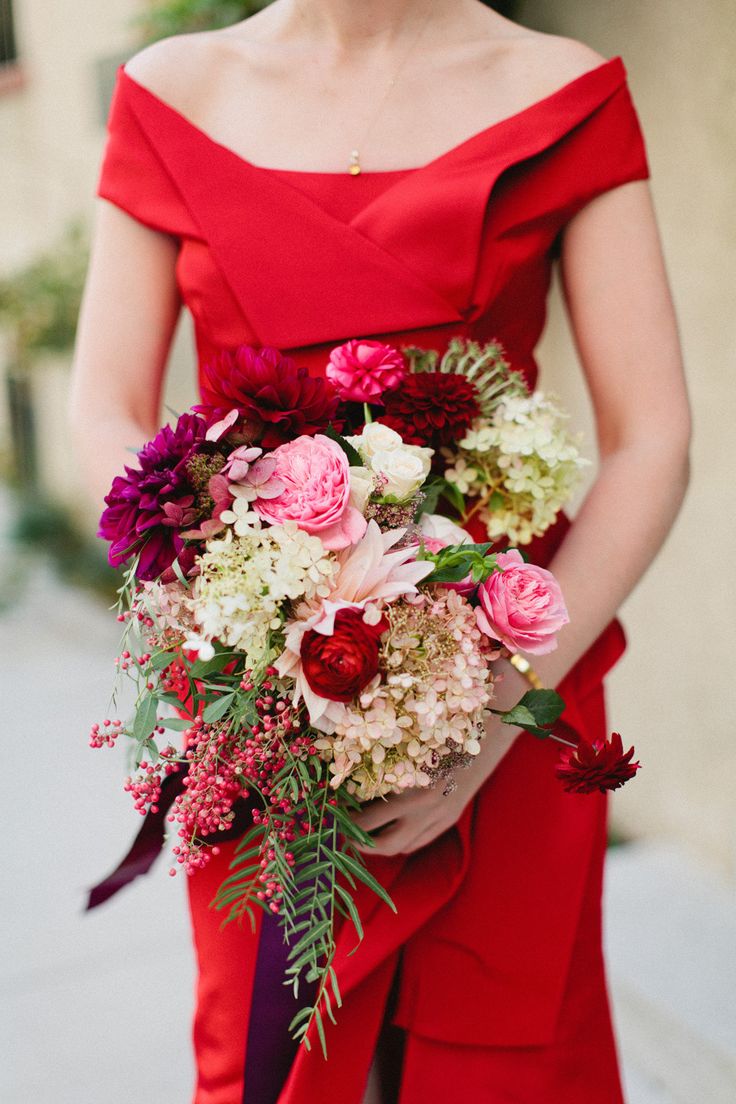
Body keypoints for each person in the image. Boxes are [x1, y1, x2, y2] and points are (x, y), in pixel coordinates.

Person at [69, 1, 691, 1101]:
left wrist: (494, 706)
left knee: (501, 1059)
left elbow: (651, 441)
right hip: (257, 705)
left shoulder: (563, 90)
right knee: (278, 1055)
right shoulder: (172, 91)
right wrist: (241, 612)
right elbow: (103, 412)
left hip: (501, 674)